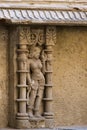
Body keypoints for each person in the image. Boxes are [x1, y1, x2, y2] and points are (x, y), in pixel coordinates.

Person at [26, 46, 45, 118]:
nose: (38, 54)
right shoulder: (29, 61)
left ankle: (36, 111)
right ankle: (29, 111)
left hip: (42, 79)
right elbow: (27, 72)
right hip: (34, 79)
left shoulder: (39, 60)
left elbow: (43, 71)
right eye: (37, 52)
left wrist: (43, 61)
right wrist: (29, 81)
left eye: (39, 53)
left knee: (39, 96)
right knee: (33, 95)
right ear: (33, 52)